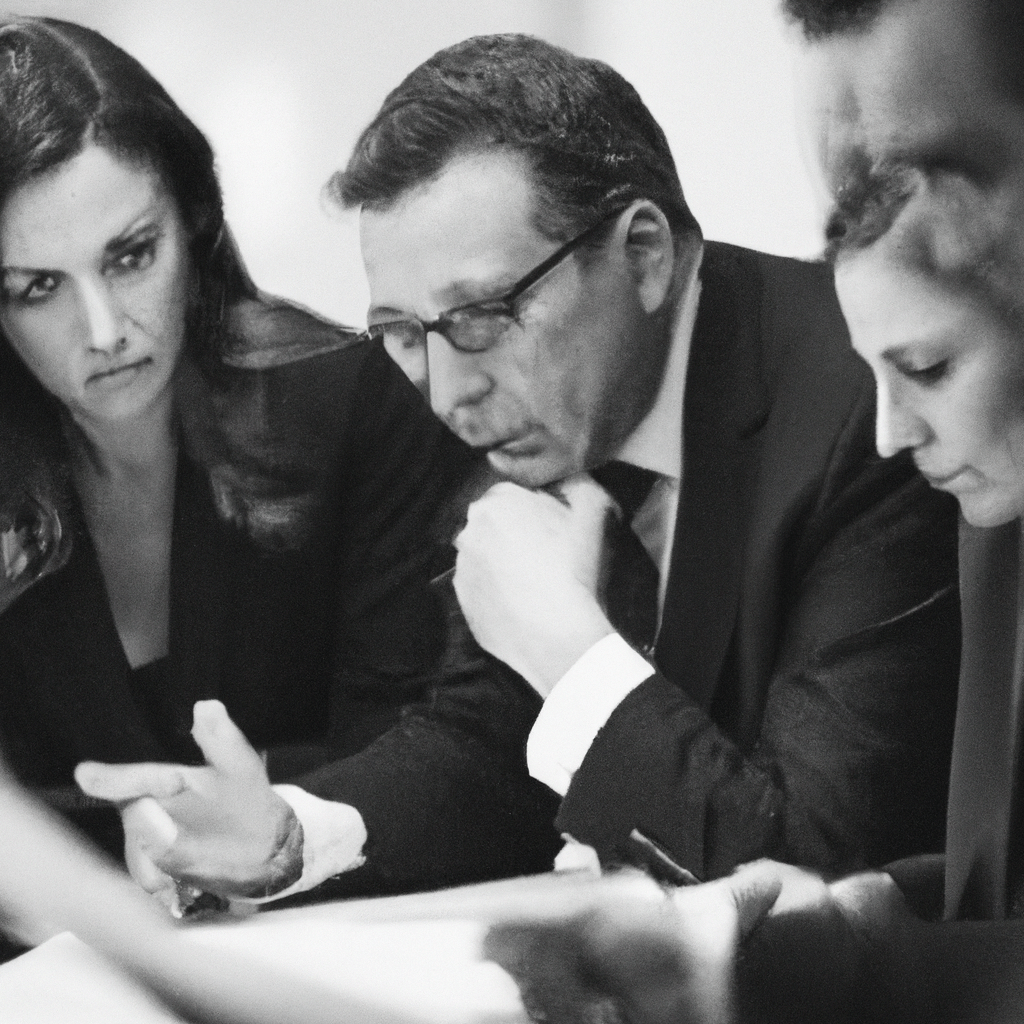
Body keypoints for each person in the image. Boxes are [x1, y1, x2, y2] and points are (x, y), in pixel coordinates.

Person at [482, 2, 1024, 1021]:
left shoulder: (876, 421)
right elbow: (988, 876)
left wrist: (839, 956)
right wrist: (848, 917)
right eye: (838, 158)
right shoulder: (984, 488)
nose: (873, 200)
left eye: (917, 151)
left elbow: (817, 835)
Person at [327, 32, 960, 884]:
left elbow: (811, 865)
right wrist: (295, 831)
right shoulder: (538, 421)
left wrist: (570, 652)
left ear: (643, 254)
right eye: (404, 335)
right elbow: (490, 747)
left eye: (479, 314)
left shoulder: (866, 408)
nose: (447, 393)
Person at [0, 15, 559, 924]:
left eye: (131, 256)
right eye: (36, 287)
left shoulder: (350, 400)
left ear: (194, 222)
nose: (103, 330)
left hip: (337, 948)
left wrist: (278, 821)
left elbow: (453, 756)